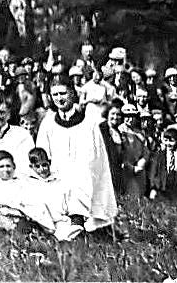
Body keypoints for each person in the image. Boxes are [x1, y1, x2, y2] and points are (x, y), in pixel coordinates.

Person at [36, 75, 119, 233]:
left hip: (84, 176)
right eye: (55, 95)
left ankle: (80, 220)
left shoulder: (88, 123)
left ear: (72, 94)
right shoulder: (48, 123)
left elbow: (96, 158)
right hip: (56, 173)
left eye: (63, 93)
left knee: (80, 178)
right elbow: (42, 153)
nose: (59, 98)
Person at [148, 127, 177, 201]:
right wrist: (153, 188)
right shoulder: (158, 156)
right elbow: (152, 173)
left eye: (171, 141)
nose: (168, 143)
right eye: (166, 140)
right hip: (161, 189)